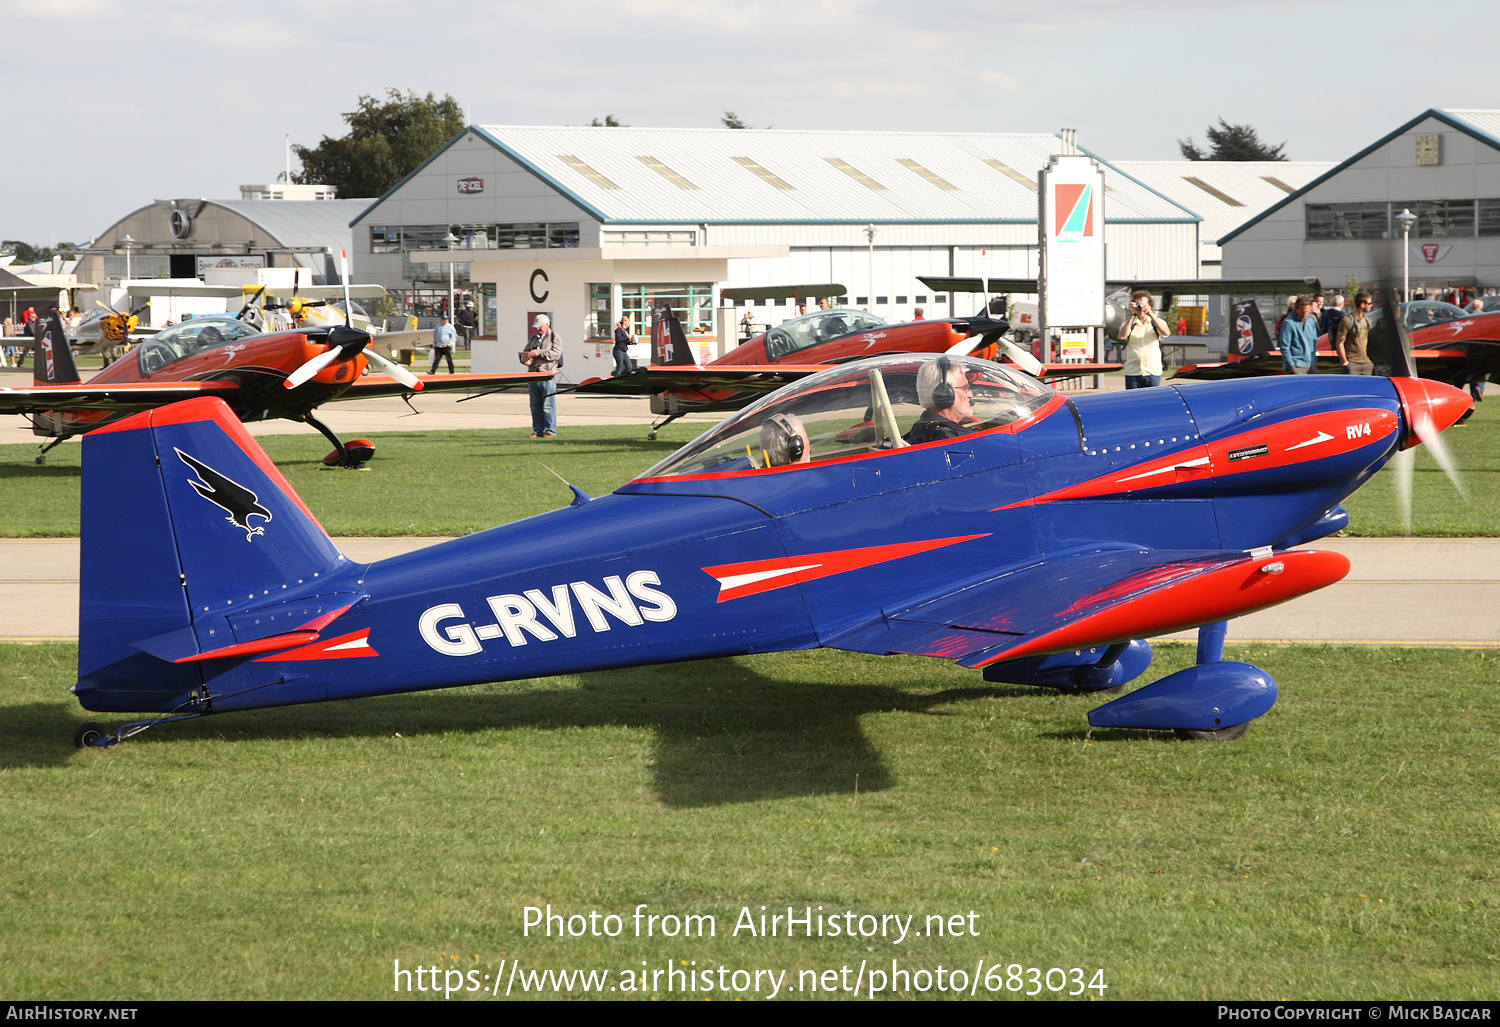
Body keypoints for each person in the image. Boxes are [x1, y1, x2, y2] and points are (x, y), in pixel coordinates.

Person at [904, 356, 973, 443]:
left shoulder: (921, 429)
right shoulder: (951, 439)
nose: (970, 395)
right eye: (965, 388)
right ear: (945, 393)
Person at [1116, 289, 1167, 388]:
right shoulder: (1130, 323)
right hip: (1133, 372)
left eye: (1144, 306)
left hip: (1152, 371)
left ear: (1150, 305)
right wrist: (1131, 316)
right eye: (1138, 306)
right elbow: (1122, 336)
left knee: (1153, 400)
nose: (1141, 309)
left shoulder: (1156, 322)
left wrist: (1151, 314)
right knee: (1134, 401)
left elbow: (1166, 332)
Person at [522, 313, 562, 437]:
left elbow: (556, 354)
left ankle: (550, 430)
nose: (538, 329)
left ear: (547, 324)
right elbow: (526, 351)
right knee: (535, 405)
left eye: (540, 326)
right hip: (533, 375)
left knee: (548, 405)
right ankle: (537, 430)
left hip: (547, 375)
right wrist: (526, 359)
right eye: (537, 326)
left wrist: (539, 353)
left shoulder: (554, 337)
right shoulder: (533, 337)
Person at [1334, 291, 1374, 375]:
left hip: (1366, 363)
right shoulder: (1347, 320)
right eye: (1370, 303)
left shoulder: (1367, 321)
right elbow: (1339, 342)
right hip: (1352, 362)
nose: (1371, 305)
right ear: (1362, 305)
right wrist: (1345, 361)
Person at [1278, 295, 1318, 374]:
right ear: (1296, 309)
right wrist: (1291, 366)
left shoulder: (1311, 320)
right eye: (1302, 311)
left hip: (1311, 364)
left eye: (1307, 311)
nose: (1304, 314)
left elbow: (1314, 342)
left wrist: (1314, 360)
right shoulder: (1288, 323)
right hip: (1296, 365)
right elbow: (1284, 347)